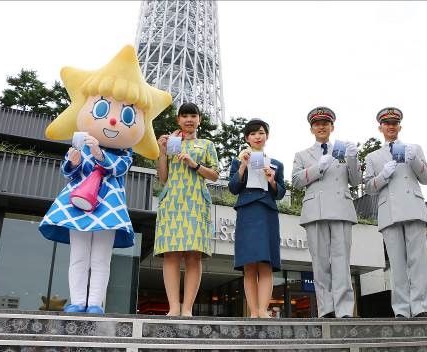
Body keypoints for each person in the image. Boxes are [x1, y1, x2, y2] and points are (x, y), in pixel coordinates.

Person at [39, 45, 172, 314]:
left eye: (126, 115)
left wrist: (98, 152)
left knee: (101, 258)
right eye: (102, 108)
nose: (112, 120)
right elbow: (70, 173)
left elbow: (116, 168)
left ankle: (95, 303)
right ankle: (77, 301)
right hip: (78, 201)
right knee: (79, 256)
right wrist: (74, 160)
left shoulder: (124, 154)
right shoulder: (81, 145)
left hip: (108, 206)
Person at [364, 107, 427, 318]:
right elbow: (368, 188)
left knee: (419, 262)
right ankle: (402, 310)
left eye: (394, 123)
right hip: (390, 212)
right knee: (397, 264)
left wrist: (414, 160)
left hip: (413, 207)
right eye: (387, 123)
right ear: (380, 127)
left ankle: (422, 307)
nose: (391, 126)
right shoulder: (373, 156)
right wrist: (383, 175)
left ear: (399, 126)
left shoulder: (414, 148)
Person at [291, 107, 361, 318]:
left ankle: (344, 309)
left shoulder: (343, 150)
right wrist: (317, 167)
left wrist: (353, 159)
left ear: (332, 126)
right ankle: (326, 309)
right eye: (317, 123)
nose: (321, 126)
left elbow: (356, 181)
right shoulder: (302, 155)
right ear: (312, 128)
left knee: (341, 261)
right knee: (320, 262)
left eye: (325, 123)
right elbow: (295, 181)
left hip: (341, 209)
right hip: (315, 211)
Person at [154, 102, 219, 317]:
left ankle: (188, 308)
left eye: (193, 115)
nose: (189, 119)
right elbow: (163, 178)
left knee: (193, 256)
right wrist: (162, 152)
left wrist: (195, 165)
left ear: (199, 119)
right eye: (184, 116)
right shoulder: (171, 143)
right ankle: (173, 307)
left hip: (196, 202)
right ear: (178, 120)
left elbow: (215, 175)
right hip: (172, 201)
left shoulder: (206, 144)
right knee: (171, 255)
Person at [228, 119, 286, 318]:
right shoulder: (238, 160)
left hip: (267, 213)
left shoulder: (277, 164)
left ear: (267, 136)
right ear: (247, 138)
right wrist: (243, 166)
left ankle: (263, 310)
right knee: (249, 264)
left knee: (266, 263)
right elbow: (233, 188)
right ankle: (253, 311)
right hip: (247, 212)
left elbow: (280, 194)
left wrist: (272, 180)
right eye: (253, 134)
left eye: (261, 132)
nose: (257, 136)